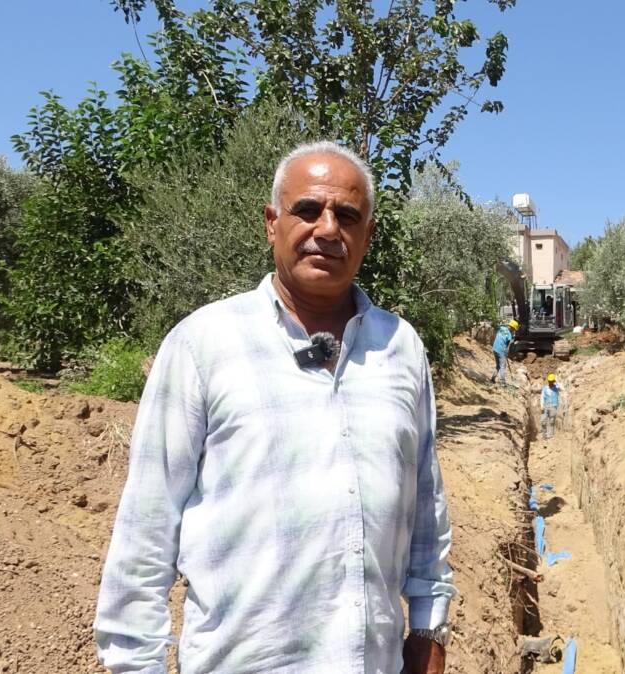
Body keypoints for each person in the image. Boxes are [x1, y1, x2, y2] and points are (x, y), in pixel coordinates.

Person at [94, 141, 454, 674]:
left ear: (368, 235)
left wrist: (428, 630)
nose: (327, 229)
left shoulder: (401, 347)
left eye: (347, 216)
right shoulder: (202, 345)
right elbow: (146, 530)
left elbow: (426, 508)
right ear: (271, 224)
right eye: (307, 210)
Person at [491, 319, 517, 384]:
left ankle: (492, 379)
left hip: (495, 348)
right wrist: (506, 353)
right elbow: (508, 346)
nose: (514, 331)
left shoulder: (501, 328)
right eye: (514, 329)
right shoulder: (509, 335)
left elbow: (498, 325)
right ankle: (502, 382)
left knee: (498, 365)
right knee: (503, 366)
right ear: (512, 327)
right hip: (501, 350)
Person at [541, 373, 561, 440]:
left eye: (552, 381)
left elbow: (562, 389)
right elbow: (542, 397)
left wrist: (557, 382)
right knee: (543, 421)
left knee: (552, 421)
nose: (550, 382)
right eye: (550, 381)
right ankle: (544, 435)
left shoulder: (556, 388)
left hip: (553, 406)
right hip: (545, 406)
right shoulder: (545, 388)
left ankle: (551, 435)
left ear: (553, 381)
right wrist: (541, 405)